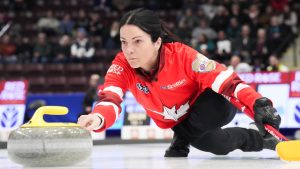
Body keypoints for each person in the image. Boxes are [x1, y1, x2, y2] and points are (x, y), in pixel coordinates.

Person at [77, 9, 281, 157]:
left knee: (217, 110)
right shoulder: (122, 64)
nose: (129, 49)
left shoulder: (183, 56)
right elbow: (111, 97)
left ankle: (182, 137)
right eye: (123, 42)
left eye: (137, 41)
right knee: (219, 146)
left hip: (212, 105)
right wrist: (97, 118)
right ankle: (263, 141)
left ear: (157, 42)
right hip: (181, 123)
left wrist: (258, 104)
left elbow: (226, 81)